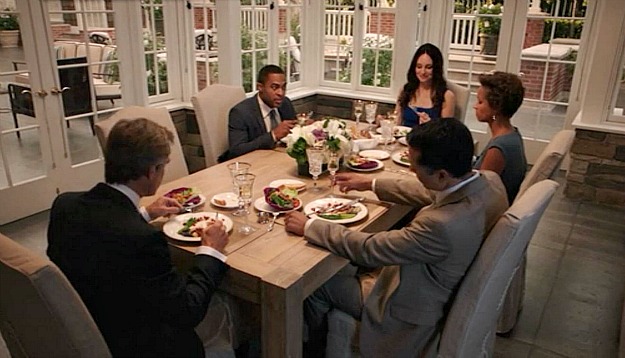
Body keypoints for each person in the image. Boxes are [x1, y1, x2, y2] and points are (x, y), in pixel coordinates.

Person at [284, 119, 508, 357]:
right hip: (438, 279)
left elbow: (369, 247)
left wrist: (310, 226)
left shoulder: (441, 225)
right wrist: (370, 183)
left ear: (441, 174)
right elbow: (427, 190)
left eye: (415, 166)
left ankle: (310, 348)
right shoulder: (489, 182)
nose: (411, 170)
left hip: (407, 307)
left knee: (316, 285)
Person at [47, 118, 231, 357]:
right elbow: (187, 311)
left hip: (86, 321)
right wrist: (211, 250)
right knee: (225, 305)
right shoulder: (144, 240)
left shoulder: (65, 205)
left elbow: (106, 235)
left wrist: (144, 213)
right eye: (163, 166)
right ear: (152, 171)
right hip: (137, 344)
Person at [220, 64, 297, 161]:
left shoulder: (285, 103)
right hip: (254, 163)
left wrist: (304, 128)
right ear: (260, 87)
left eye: (283, 87)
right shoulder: (240, 113)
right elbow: (236, 151)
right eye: (274, 87)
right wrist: (273, 135)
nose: (280, 93)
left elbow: (293, 134)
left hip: (280, 159)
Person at [473, 71, 528, 204]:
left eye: (480, 102)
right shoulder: (512, 134)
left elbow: (478, 193)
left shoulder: (498, 149)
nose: (475, 106)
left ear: (496, 107)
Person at [394, 43, 456, 127]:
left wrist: (430, 126)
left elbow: (446, 134)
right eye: (419, 67)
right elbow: (396, 123)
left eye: (428, 67)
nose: (423, 72)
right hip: (403, 139)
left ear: (436, 69)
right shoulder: (406, 90)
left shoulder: (447, 96)